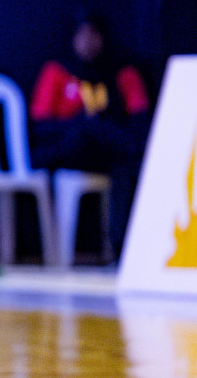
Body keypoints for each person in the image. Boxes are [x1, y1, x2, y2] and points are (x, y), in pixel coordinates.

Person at [29, 13, 153, 259]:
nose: (88, 42)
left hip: (110, 153)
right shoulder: (57, 71)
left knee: (124, 165)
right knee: (89, 129)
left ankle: (122, 249)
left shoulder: (122, 72)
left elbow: (141, 118)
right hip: (69, 150)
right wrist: (81, 125)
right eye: (82, 35)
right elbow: (39, 126)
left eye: (93, 34)